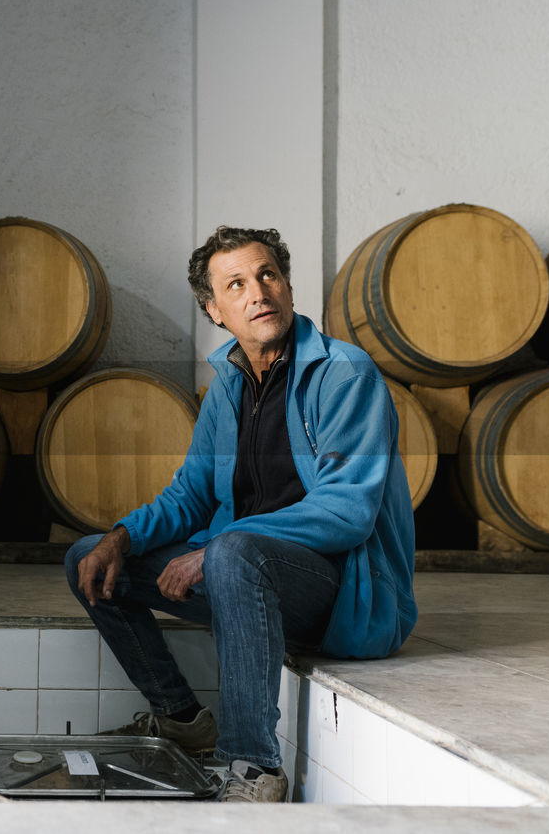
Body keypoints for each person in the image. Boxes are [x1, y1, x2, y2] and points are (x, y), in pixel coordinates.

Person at [64, 226, 416, 803]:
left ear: (287, 286)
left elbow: (346, 511)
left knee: (232, 550)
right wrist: (122, 537)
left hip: (341, 593)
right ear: (215, 309)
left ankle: (253, 767)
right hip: (240, 575)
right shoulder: (228, 384)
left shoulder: (345, 375)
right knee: (88, 556)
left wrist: (215, 551)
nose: (258, 292)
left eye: (268, 275)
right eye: (237, 284)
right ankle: (181, 719)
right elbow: (191, 496)